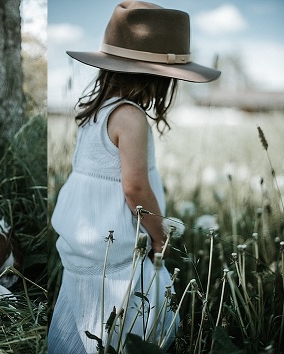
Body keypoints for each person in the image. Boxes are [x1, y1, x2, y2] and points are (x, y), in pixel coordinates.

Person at [48, 1, 220, 353]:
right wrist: (159, 235)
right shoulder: (131, 116)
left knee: (83, 323)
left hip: (86, 246)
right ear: (158, 77)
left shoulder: (97, 110)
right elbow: (134, 186)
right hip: (117, 255)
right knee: (130, 325)